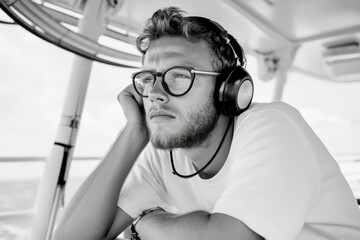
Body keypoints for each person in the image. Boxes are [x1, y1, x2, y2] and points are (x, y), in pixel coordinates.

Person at [53, 6, 360, 240]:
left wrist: (145, 222)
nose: (156, 94)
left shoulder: (273, 126)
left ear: (229, 90)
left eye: (179, 76)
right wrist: (132, 133)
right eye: (149, 79)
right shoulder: (163, 155)